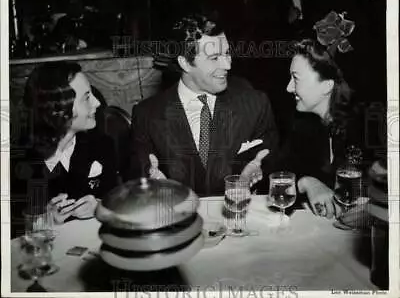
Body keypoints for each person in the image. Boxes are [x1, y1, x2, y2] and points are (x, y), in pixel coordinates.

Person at [127, 12, 279, 196]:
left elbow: (273, 166)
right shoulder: (146, 114)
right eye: (215, 58)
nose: (228, 65)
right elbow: (137, 175)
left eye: (227, 53)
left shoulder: (255, 104)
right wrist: (151, 183)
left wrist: (257, 175)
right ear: (185, 63)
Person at [10, 61, 117, 237]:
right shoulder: (17, 161)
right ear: (58, 110)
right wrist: (44, 220)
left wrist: (100, 205)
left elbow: (119, 201)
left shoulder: (102, 144)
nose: (97, 103)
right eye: (87, 97)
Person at [275, 36, 366, 219]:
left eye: (295, 78)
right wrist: (307, 182)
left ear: (327, 86)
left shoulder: (367, 127)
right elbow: (278, 180)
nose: (288, 88)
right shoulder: (301, 125)